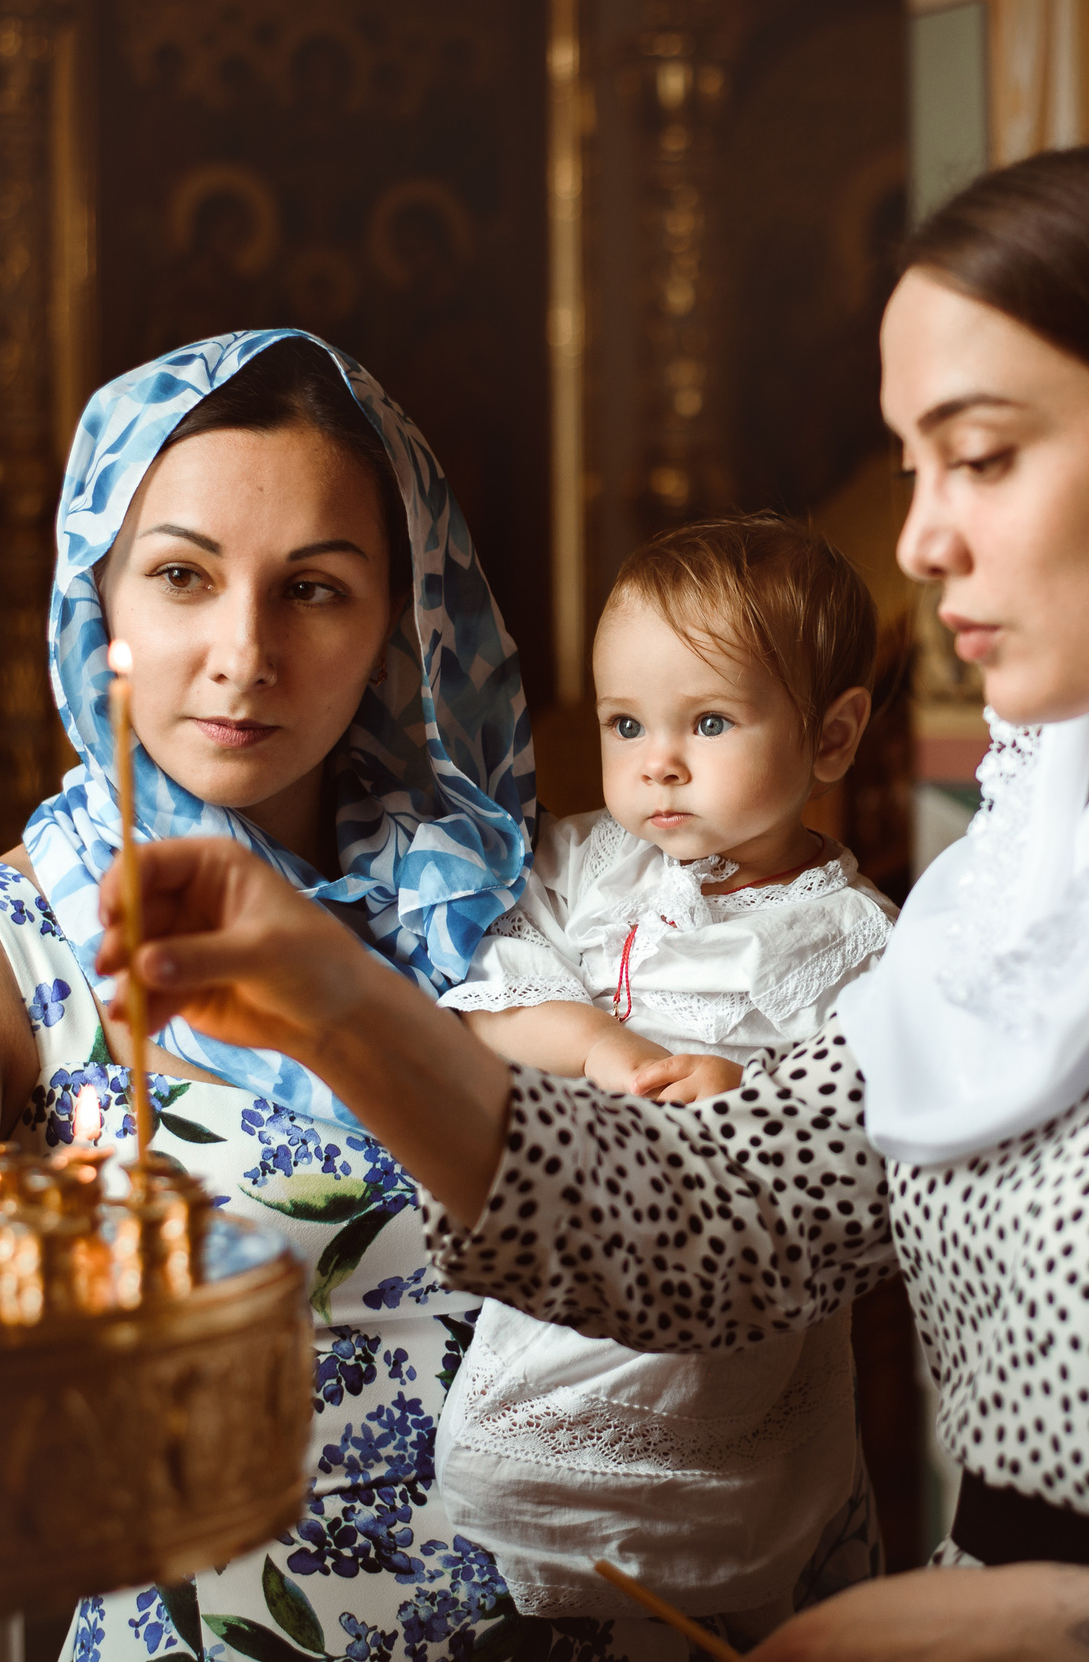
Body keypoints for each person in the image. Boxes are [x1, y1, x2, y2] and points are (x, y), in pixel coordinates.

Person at [74, 137, 1089, 1661]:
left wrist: (1068, 1631)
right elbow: (713, 1227)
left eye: (982, 455)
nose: (921, 537)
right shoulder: (1011, 886)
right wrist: (347, 1004)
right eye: (916, 461)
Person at [0, 329, 613, 1661]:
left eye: (314, 589)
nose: (246, 651)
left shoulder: (509, 902)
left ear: (402, 621)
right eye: (182, 576)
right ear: (99, 600)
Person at [432, 518, 895, 1633]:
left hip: (711, 1315)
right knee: (526, 1517)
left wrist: (737, 1088)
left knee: (705, 1545)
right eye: (626, 722)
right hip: (558, 1279)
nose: (657, 761)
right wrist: (601, 1046)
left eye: (710, 721)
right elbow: (487, 995)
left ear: (831, 736)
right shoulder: (589, 864)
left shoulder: (853, 940)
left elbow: (859, 1154)